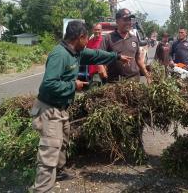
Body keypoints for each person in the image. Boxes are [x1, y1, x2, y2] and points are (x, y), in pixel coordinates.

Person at [30, 20, 131, 193]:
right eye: (87, 38)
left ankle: (59, 173)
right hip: (49, 109)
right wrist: (72, 86)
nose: (88, 42)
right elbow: (48, 84)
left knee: (63, 142)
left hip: (61, 108)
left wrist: (116, 56)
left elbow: (97, 55)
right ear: (80, 37)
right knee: (50, 150)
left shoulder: (76, 52)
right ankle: (42, 188)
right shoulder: (60, 54)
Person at [101, 8, 151, 83]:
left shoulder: (134, 38)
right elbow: (100, 56)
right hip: (115, 82)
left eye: (129, 20)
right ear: (117, 21)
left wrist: (147, 75)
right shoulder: (108, 38)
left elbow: (138, 59)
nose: (128, 22)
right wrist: (102, 70)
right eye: (125, 20)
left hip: (134, 80)